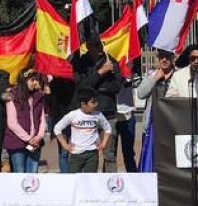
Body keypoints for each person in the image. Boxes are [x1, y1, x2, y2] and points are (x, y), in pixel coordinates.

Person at [71, 37, 122, 172]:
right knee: (87, 153)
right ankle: (88, 184)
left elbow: (116, 86)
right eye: (94, 45)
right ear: (88, 46)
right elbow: (81, 86)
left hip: (107, 114)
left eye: (100, 44)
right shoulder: (82, 63)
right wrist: (100, 73)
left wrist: (97, 87)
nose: (98, 48)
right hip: (87, 116)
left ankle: (110, 186)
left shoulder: (110, 61)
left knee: (109, 154)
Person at [54, 88, 112, 173]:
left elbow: (108, 128)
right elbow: (57, 129)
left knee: (90, 180)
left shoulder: (98, 115)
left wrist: (104, 143)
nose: (96, 104)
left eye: (96, 101)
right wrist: (65, 145)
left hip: (92, 154)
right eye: (93, 102)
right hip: (76, 155)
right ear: (83, 104)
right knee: (73, 180)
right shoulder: (73, 115)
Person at [3, 69, 47, 173]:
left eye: (37, 80)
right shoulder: (11, 95)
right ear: (24, 80)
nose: (35, 83)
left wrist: (39, 136)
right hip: (17, 143)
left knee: (32, 175)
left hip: (35, 143)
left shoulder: (39, 96)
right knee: (20, 174)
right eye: (32, 80)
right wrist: (28, 139)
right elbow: (12, 123)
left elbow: (42, 120)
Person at [47, 76, 76, 173]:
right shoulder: (54, 83)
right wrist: (47, 90)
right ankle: (66, 176)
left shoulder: (74, 82)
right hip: (60, 121)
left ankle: (70, 175)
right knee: (64, 152)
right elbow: (48, 103)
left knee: (71, 151)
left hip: (72, 120)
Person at [115, 76, 138, 172]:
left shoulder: (127, 64)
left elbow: (131, 80)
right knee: (109, 155)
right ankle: (107, 182)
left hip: (128, 114)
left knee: (128, 153)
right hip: (112, 115)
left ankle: (133, 179)